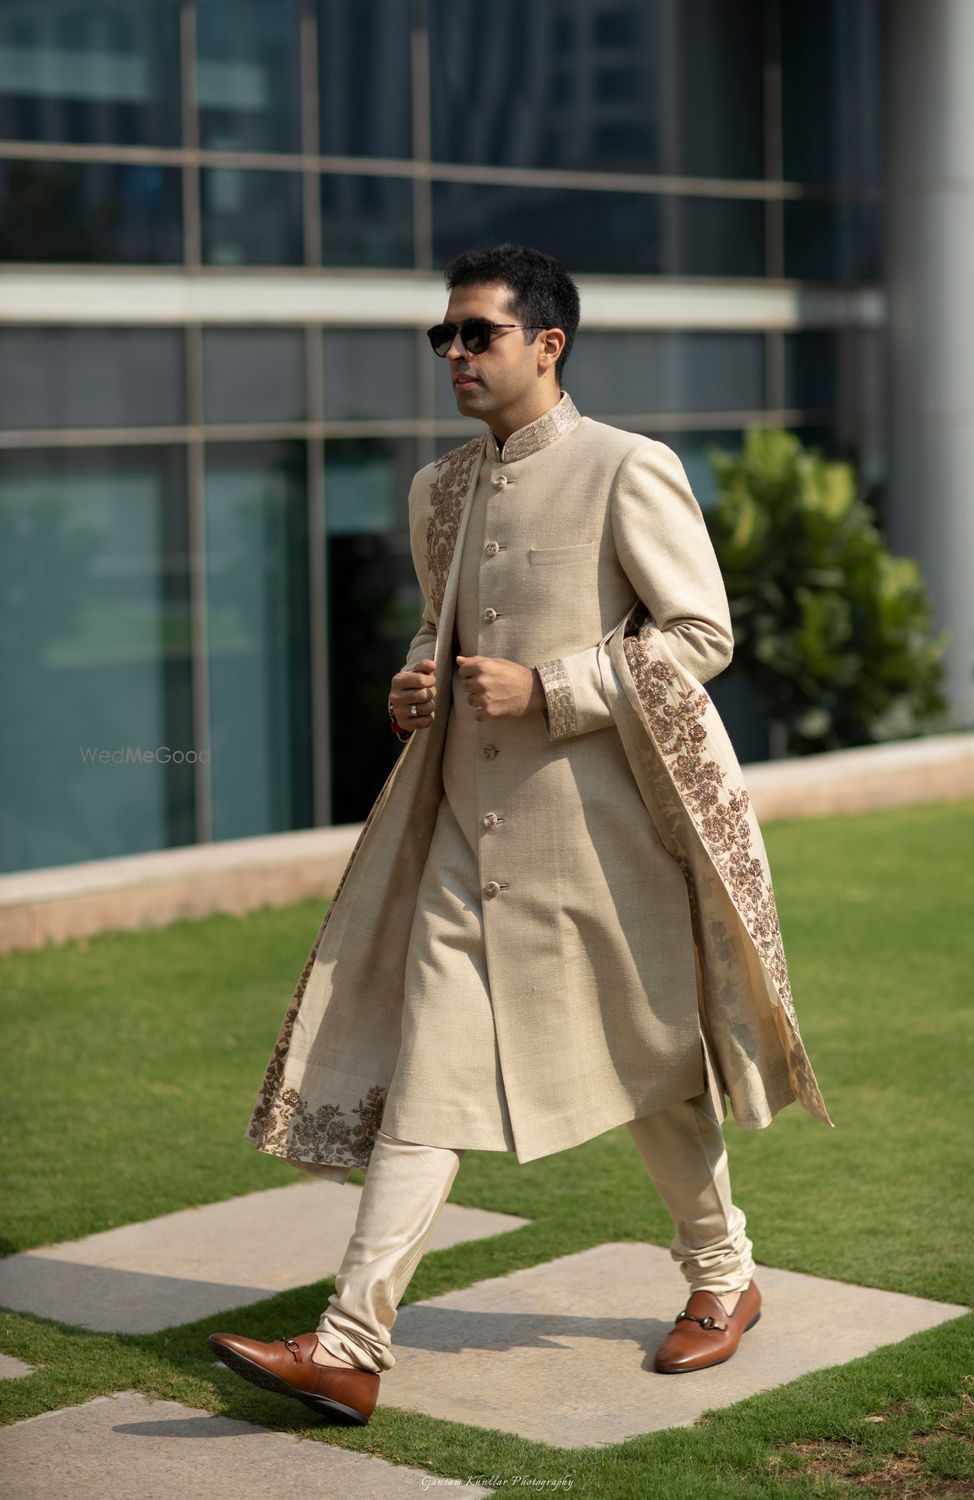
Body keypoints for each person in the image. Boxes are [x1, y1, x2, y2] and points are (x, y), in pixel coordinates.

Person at [209, 244, 831, 1427]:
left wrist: (553, 687)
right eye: (442, 336)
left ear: (547, 344)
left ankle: (723, 1280)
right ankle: (350, 1344)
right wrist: (413, 683)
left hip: (604, 839)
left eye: (475, 334)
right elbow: (443, 635)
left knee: (652, 1076)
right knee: (427, 1087)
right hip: (462, 838)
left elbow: (701, 635)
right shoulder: (436, 491)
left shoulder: (625, 469)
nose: (453, 354)